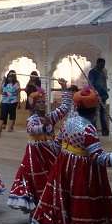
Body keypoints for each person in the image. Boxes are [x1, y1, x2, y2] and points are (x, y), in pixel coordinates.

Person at [30, 86, 112, 224]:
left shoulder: (69, 122)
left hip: (64, 167)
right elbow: (99, 158)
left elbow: (56, 146)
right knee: (80, 205)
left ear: (77, 107)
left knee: (67, 204)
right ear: (94, 110)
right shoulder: (89, 129)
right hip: (82, 173)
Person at [8, 79, 72, 214]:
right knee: (35, 180)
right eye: (39, 103)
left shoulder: (50, 116)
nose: (42, 104)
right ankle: (34, 209)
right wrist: (43, 126)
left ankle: (48, 207)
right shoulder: (31, 119)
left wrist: (64, 89)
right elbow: (32, 130)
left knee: (51, 179)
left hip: (49, 152)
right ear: (33, 105)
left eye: (43, 102)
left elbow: (65, 108)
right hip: (35, 155)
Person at [88, 58, 110, 136]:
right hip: (95, 96)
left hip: (103, 96)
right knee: (94, 114)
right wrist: (96, 94)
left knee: (103, 114)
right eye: (101, 64)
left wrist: (105, 94)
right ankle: (93, 131)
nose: (103, 66)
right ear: (97, 63)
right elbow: (91, 84)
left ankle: (105, 130)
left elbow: (104, 84)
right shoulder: (92, 72)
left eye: (104, 65)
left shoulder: (103, 72)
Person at [0, 70, 21, 137]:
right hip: (4, 101)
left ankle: (10, 127)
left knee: (12, 115)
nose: (10, 78)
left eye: (12, 76)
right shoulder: (4, 83)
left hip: (13, 102)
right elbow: (0, 91)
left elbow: (18, 93)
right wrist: (3, 91)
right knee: (2, 115)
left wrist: (18, 103)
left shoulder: (16, 83)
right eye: (9, 76)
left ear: (14, 77)